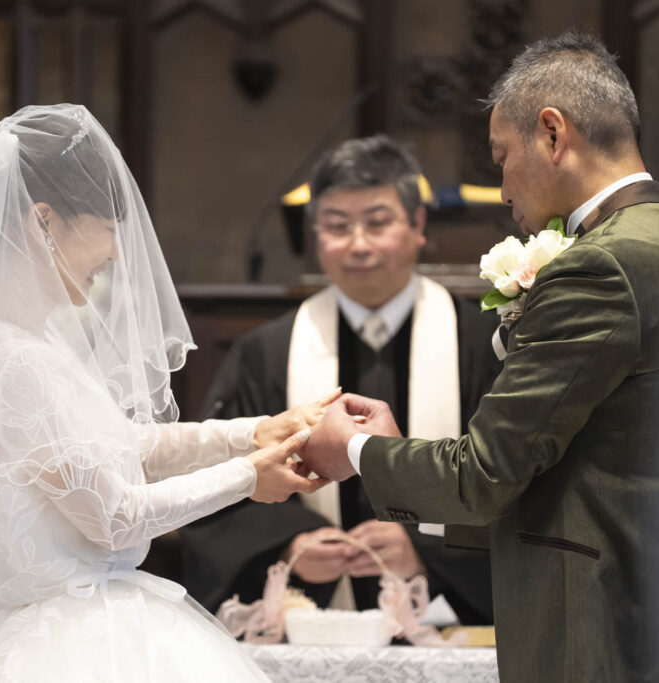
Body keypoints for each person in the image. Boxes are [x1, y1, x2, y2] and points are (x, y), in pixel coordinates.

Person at [0, 104, 331, 682]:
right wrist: (248, 478)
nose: (117, 253)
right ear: (44, 223)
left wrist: (252, 433)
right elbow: (114, 518)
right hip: (66, 644)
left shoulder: (34, 345)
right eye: (108, 229)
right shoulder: (10, 362)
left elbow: (122, 444)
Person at [300, 31, 659, 682]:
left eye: (501, 157)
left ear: (553, 134)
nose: (501, 189)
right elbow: (594, 469)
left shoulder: (603, 265)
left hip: (609, 626)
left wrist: (354, 451)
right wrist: (396, 450)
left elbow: (483, 475)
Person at [182, 135, 499, 624]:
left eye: (378, 222)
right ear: (315, 234)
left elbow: (513, 479)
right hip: (306, 624)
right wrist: (290, 545)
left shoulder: (481, 343)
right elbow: (216, 488)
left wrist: (432, 551)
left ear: (417, 225)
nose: (358, 244)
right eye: (337, 226)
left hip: (454, 625)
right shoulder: (266, 354)